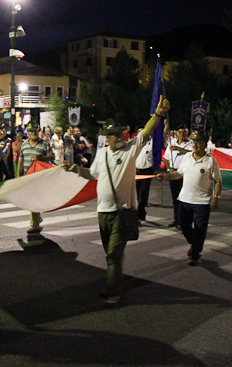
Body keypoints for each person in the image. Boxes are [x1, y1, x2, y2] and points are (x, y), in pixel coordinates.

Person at [63, 96, 170, 303]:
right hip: (103, 212)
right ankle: (116, 276)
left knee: (113, 253)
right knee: (110, 252)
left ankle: (113, 290)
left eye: (121, 132)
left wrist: (158, 113)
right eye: (116, 134)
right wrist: (75, 169)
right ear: (108, 137)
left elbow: (147, 131)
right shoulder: (102, 154)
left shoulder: (130, 149)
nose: (121, 135)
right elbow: (91, 174)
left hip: (122, 212)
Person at [157, 131, 222, 266]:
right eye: (194, 142)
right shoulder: (187, 157)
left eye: (199, 142)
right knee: (184, 225)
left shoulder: (210, 161)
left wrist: (216, 197)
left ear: (205, 145)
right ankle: (195, 243)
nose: (195, 145)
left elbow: (218, 181)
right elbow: (178, 174)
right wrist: (166, 176)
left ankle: (195, 254)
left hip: (202, 202)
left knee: (200, 229)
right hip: (185, 199)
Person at [17, 121, 54, 235]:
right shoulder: (24, 145)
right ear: (27, 132)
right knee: (31, 199)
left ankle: (34, 225)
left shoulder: (44, 144)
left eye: (35, 131)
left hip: (39, 177)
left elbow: (52, 157)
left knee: (34, 199)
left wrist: (41, 157)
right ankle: (37, 218)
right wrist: (18, 175)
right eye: (31, 131)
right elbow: (21, 159)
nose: (33, 133)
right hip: (28, 176)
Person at [163, 123, 193, 229]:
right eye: (180, 132)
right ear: (177, 133)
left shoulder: (190, 143)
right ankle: (177, 219)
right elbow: (167, 158)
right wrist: (169, 169)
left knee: (184, 199)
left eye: (184, 132)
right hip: (173, 172)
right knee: (175, 198)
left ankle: (184, 221)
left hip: (184, 174)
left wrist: (180, 149)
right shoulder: (172, 143)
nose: (182, 134)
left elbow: (192, 153)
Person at [135, 127, 153, 224]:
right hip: (136, 171)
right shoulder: (135, 144)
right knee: (136, 194)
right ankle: (139, 214)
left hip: (147, 171)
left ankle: (140, 214)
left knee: (143, 194)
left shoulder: (152, 143)